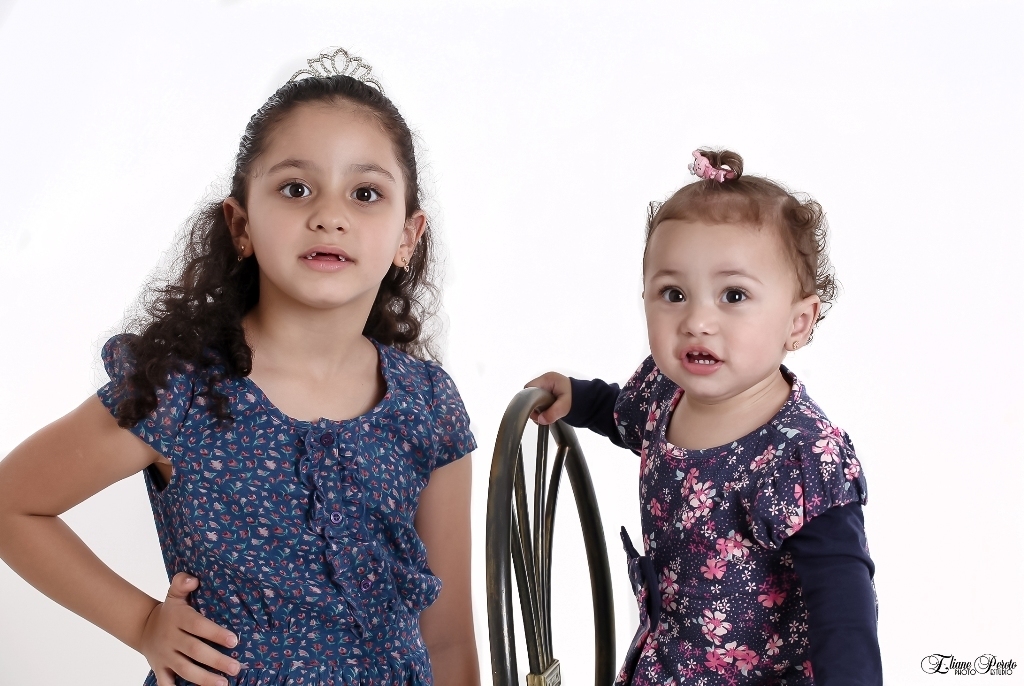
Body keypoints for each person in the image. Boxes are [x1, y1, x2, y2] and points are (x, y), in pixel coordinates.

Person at [0, 48, 479, 686]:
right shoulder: (181, 391)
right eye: (296, 188)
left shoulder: (428, 405)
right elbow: (12, 504)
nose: (329, 215)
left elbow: (447, 640)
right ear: (241, 223)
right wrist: (142, 624)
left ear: (407, 237)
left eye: (365, 193)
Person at [527, 150, 882, 685]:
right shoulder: (664, 393)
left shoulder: (802, 458)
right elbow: (623, 416)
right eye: (673, 294)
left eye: (733, 295)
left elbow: (845, 614)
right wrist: (578, 399)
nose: (697, 320)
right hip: (666, 668)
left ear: (798, 322)